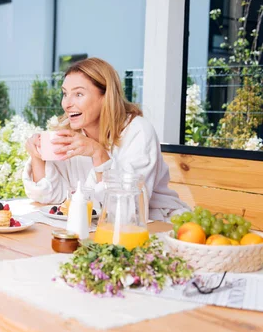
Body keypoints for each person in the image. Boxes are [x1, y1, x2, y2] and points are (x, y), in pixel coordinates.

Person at [23, 57, 190, 222]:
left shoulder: (138, 132)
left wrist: (98, 154)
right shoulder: (71, 135)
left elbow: (128, 207)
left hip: (156, 224)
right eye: (65, 94)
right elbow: (53, 197)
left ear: (106, 96)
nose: (66, 104)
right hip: (93, 227)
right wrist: (38, 157)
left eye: (78, 94)